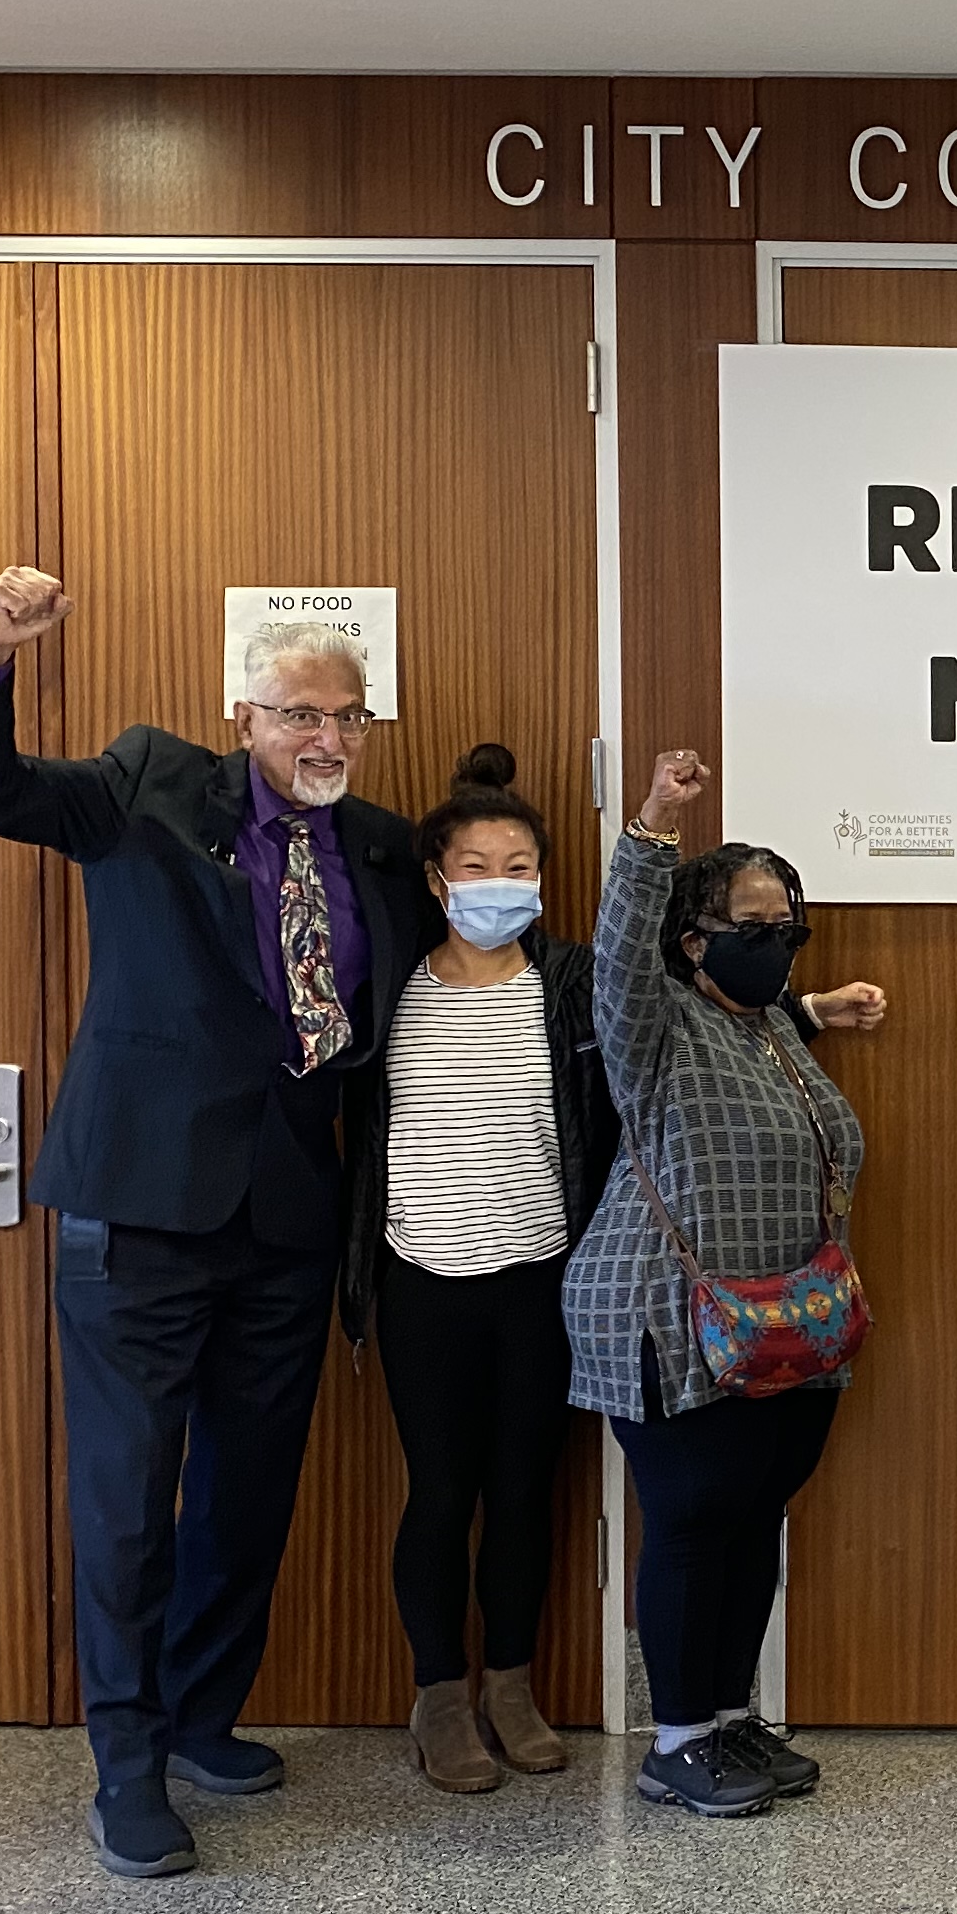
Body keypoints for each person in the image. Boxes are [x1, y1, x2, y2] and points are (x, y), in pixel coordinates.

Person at [0, 571, 436, 1880]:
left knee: (248, 1491)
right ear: (244, 713)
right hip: (141, 1207)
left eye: (348, 717)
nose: (325, 738)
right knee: (126, 1501)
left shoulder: (380, 843)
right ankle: (126, 1765)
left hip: (288, 1217)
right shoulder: (147, 784)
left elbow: (469, 975)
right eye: (299, 715)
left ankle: (204, 1716)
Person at [566, 748, 888, 1819]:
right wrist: (655, 823)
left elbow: (764, 1048)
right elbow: (618, 950)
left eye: (787, 931)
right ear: (695, 937)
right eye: (753, 929)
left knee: (756, 1519)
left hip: (783, 1327)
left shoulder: (768, 1032)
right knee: (697, 1520)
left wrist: (816, 1008)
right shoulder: (648, 1019)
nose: (776, 946)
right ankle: (678, 1740)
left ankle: (734, 1717)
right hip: (666, 1316)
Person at [337, 746, 619, 1795]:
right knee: (442, 1491)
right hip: (419, 1274)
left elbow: (673, 1026)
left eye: (518, 866)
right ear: (435, 877)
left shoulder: (572, 984)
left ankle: (512, 1685)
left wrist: (807, 1011)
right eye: (476, 865)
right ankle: (439, 1698)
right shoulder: (388, 990)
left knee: (523, 1490)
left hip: (540, 1275)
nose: (497, 885)